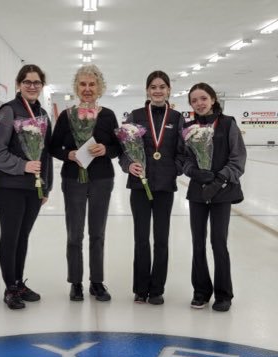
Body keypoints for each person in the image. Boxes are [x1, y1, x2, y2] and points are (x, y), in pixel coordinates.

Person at [49, 64, 120, 302]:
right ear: (76, 87)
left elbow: (119, 147)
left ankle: (97, 282)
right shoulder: (67, 115)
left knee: (97, 233)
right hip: (73, 179)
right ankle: (76, 282)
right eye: (83, 84)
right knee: (74, 233)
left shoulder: (108, 115)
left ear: (99, 87)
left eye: (92, 84)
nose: (87, 89)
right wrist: (68, 154)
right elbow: (53, 146)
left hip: (101, 179)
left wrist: (106, 149)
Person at [0, 64, 53, 310]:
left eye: (37, 82)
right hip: (9, 186)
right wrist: (22, 166)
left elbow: (45, 154)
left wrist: (45, 187)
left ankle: (18, 281)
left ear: (42, 85)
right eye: (27, 82)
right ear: (19, 84)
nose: (32, 86)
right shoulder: (8, 111)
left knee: (23, 236)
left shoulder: (44, 115)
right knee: (10, 236)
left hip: (33, 189)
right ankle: (10, 288)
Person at [119, 70, 185, 305]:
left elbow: (182, 151)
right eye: (153, 87)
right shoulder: (135, 115)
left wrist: (174, 169)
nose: (158, 91)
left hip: (165, 186)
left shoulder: (177, 118)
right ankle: (140, 288)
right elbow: (124, 151)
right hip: (140, 186)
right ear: (147, 90)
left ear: (169, 90)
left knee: (161, 239)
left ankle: (157, 289)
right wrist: (129, 166)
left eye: (162, 87)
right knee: (141, 238)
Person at [183, 82, 246, 312]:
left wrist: (219, 179)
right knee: (197, 243)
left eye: (203, 98)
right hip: (198, 192)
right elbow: (185, 159)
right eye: (194, 100)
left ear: (212, 99)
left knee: (218, 242)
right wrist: (194, 172)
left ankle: (223, 294)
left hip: (222, 192)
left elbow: (238, 158)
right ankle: (200, 291)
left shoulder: (228, 124)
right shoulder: (188, 127)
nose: (199, 103)